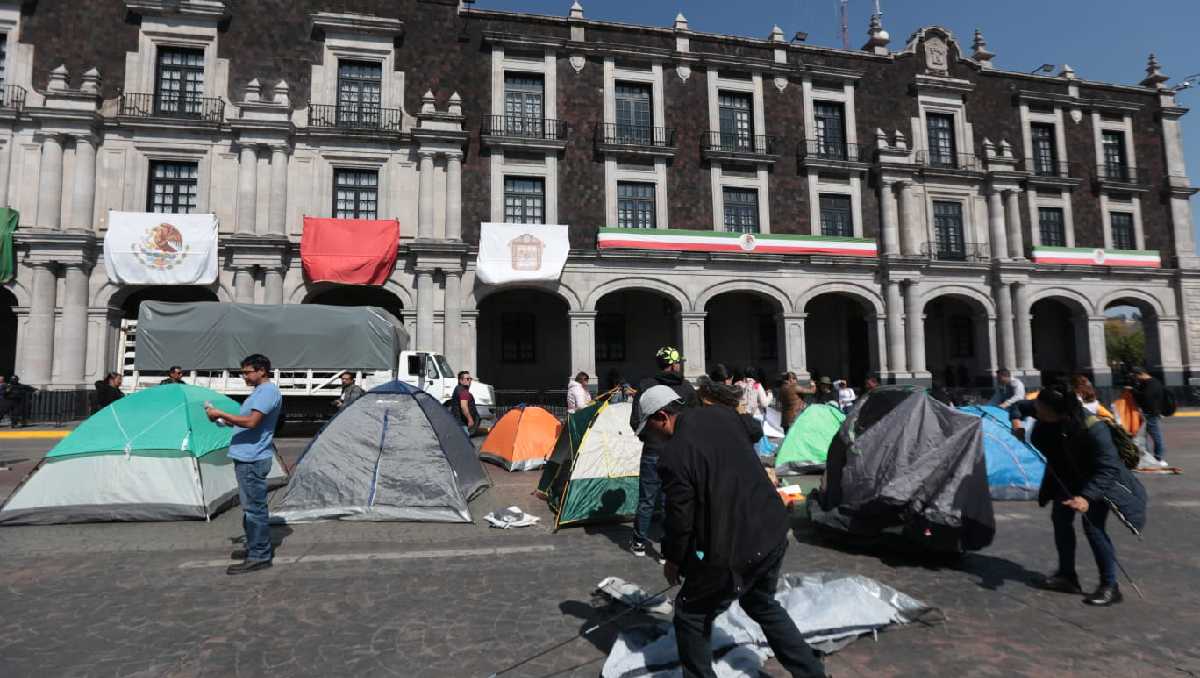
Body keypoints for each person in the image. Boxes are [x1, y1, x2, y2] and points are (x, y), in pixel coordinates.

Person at [635, 386, 827, 678]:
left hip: (736, 546)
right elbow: (753, 429)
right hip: (772, 529)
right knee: (761, 602)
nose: (647, 439)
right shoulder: (721, 415)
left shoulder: (673, 456)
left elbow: (680, 520)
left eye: (647, 431)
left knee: (691, 613)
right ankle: (811, 672)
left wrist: (674, 560)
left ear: (662, 416)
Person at [1026, 384, 1146, 607]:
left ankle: (1110, 586)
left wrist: (1087, 497)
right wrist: (1015, 420)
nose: (1037, 414)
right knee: (1060, 520)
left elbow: (1108, 468)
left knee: (1093, 527)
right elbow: (1019, 407)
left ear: (1058, 412)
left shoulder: (1092, 428)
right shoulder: (1045, 410)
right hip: (1067, 479)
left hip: (1096, 481)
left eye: (1041, 411)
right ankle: (1067, 576)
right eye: (1037, 408)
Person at [204, 354, 283, 576]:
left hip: (252, 458)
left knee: (254, 510)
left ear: (262, 371)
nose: (244, 376)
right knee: (250, 508)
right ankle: (254, 546)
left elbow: (251, 422)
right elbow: (248, 424)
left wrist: (220, 412)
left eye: (248, 372)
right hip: (248, 456)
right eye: (243, 372)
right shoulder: (259, 392)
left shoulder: (267, 392)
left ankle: (259, 555)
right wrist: (223, 420)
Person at [628, 345, 698, 560]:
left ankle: (639, 542)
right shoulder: (687, 389)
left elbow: (635, 420)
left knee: (647, 499)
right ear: (675, 364)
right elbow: (695, 421)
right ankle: (665, 550)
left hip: (652, 449)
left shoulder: (646, 385)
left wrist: (646, 436)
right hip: (677, 453)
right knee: (672, 500)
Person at [1128, 366, 1167, 463]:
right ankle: (1147, 456)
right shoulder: (1149, 382)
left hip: (1150, 413)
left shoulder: (1151, 383)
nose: (1135, 379)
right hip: (1149, 412)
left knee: (1155, 435)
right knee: (1143, 436)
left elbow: (1146, 398)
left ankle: (1158, 457)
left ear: (1140, 374)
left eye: (1135, 377)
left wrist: (1133, 390)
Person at [452, 370, 479, 435]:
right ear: (461, 381)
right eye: (467, 379)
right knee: (465, 443)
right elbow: (464, 406)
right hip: (462, 424)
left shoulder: (458, 389)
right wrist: (470, 419)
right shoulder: (463, 391)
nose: (469, 380)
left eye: (470, 379)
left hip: (458, 423)